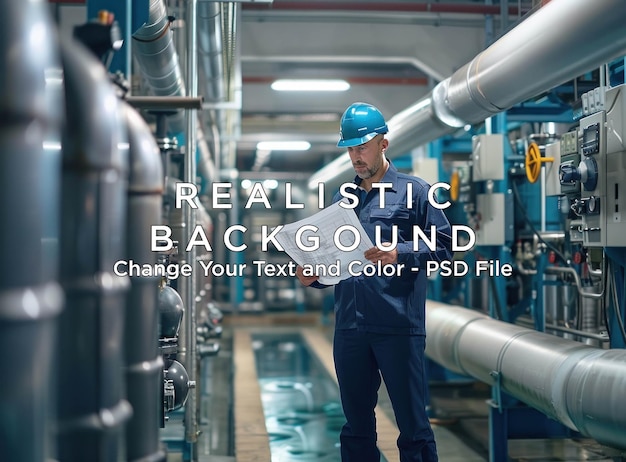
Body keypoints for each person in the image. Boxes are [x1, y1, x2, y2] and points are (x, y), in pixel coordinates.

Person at [296, 102, 452, 462]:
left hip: (397, 325)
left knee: (413, 427)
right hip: (350, 327)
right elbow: (336, 261)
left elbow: (445, 247)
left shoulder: (416, 192)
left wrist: (400, 252)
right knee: (355, 427)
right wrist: (315, 276)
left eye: (362, 147)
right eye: (350, 148)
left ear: (383, 143)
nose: (356, 156)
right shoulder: (343, 199)